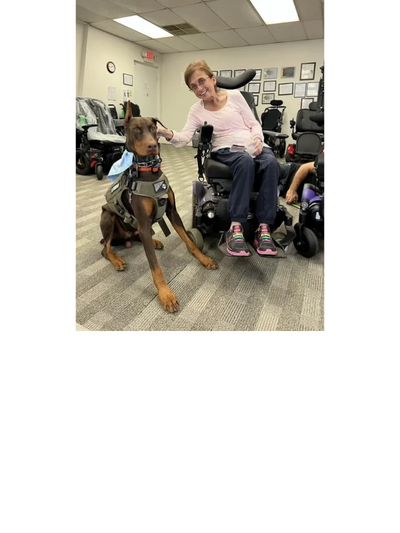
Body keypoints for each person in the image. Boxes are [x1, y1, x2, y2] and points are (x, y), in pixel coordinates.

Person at [157, 59, 280, 257]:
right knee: (244, 161)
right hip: (226, 149)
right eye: (193, 86)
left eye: (201, 81)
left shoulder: (236, 96)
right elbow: (183, 139)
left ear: (213, 79)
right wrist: (165, 132)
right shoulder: (196, 111)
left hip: (252, 143)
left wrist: (258, 139)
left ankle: (263, 228)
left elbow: (253, 123)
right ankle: (235, 227)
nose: (199, 88)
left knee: (272, 162)